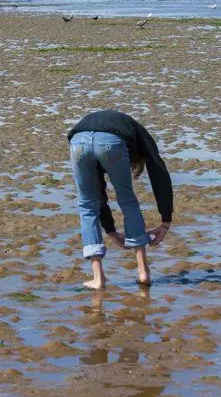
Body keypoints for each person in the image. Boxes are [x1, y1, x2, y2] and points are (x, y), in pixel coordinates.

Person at [67, 110, 173, 289]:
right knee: (127, 200)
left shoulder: (114, 124)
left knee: (87, 205)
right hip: (111, 141)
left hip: (79, 141)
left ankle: (98, 278)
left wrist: (111, 231)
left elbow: (98, 192)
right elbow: (158, 172)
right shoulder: (139, 133)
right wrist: (166, 221)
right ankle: (143, 271)